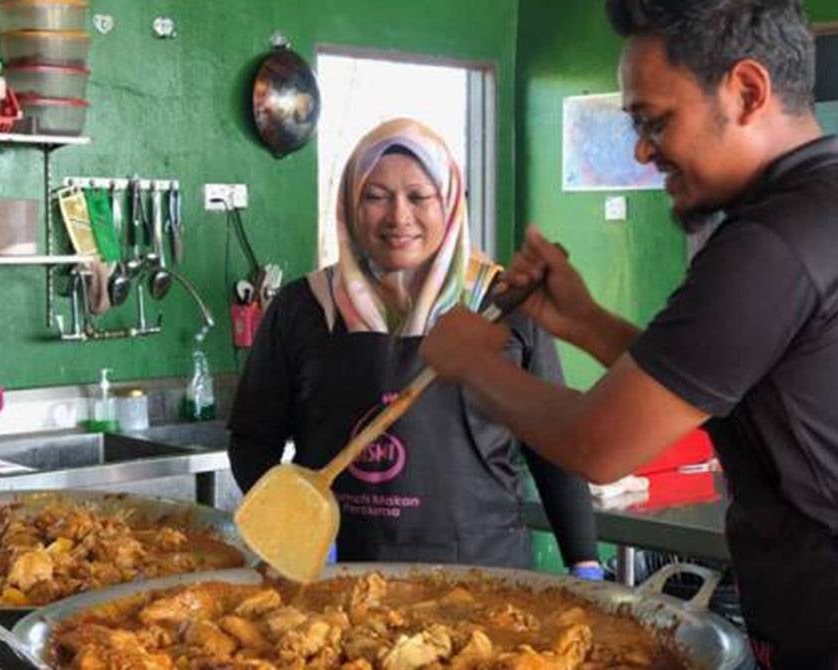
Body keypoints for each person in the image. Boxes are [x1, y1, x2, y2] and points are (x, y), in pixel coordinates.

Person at [421, 1, 837, 666]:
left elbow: (599, 443)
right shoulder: (817, 209)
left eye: (654, 121)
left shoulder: (770, 244)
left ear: (748, 91)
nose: (642, 150)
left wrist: (472, 360)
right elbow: (712, 381)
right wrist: (583, 321)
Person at [229, 118, 601, 574]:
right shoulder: (304, 306)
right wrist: (291, 531)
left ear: (447, 202)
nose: (398, 217)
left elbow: (552, 447)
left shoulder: (503, 303)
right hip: (337, 577)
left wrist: (585, 562)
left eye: (419, 197)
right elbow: (252, 439)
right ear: (349, 204)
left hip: (484, 577)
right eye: (375, 196)